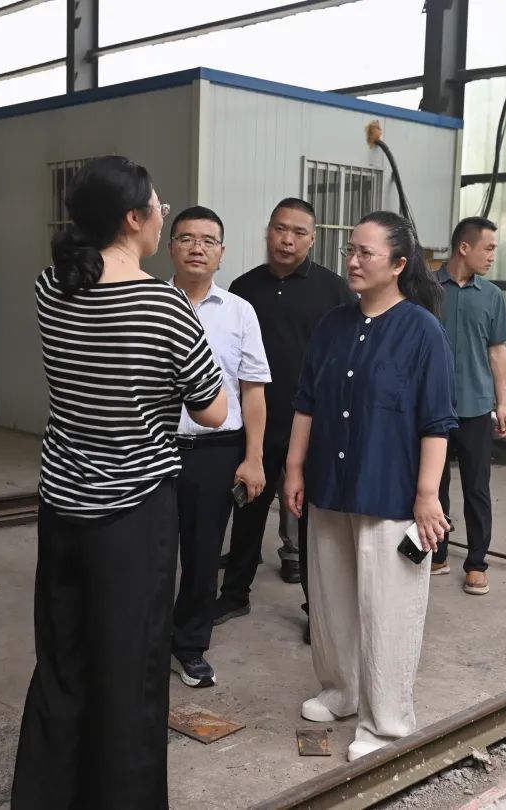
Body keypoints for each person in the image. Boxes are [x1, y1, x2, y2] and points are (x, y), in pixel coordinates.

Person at [10, 157, 227, 809]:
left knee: (63, 658)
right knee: (130, 670)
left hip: (62, 502)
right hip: (134, 514)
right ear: (133, 218)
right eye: (159, 206)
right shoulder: (164, 304)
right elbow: (213, 410)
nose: (164, 214)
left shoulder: (52, 286)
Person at [283, 211, 457, 761]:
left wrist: (427, 496)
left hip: (390, 492)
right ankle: (341, 691)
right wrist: (294, 468)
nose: (353, 261)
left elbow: (437, 423)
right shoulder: (333, 324)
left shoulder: (422, 331)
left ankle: (385, 723)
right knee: (331, 601)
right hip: (331, 485)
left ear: (399, 264)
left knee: (388, 610)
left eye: (366, 253)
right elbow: (307, 401)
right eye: (350, 251)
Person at [214, 198, 352, 641]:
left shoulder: (334, 291)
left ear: (313, 239)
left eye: (298, 232)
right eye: (279, 229)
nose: (286, 240)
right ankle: (235, 593)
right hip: (255, 425)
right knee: (247, 512)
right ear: (268, 231)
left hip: (310, 427)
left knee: (312, 523)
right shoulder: (244, 287)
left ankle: (318, 610)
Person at [167, 205, 271, 689]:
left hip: (215, 452)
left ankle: (189, 646)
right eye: (187, 238)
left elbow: (253, 390)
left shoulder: (239, 311)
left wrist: (253, 458)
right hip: (155, 448)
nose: (197, 248)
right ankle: (143, 642)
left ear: (222, 252)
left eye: (208, 240)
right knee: (148, 552)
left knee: (203, 556)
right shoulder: (149, 303)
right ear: (171, 246)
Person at [432, 217, 506, 595]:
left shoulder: (491, 295)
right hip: (433, 408)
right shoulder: (427, 289)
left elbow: (498, 350)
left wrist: (502, 403)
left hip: (477, 408)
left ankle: (477, 563)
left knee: (477, 489)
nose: (493, 256)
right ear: (464, 248)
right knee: (433, 486)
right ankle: (436, 553)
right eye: (489, 248)